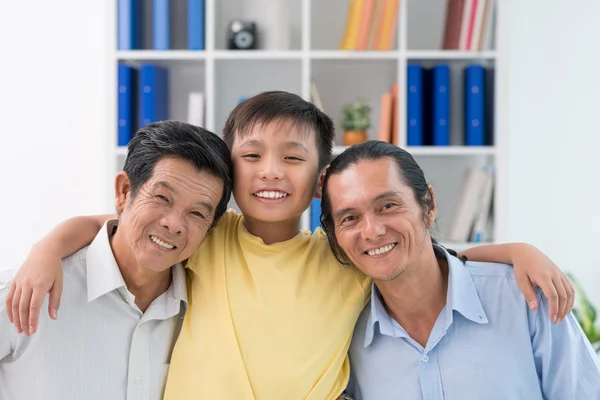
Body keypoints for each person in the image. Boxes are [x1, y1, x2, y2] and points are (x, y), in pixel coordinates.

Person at [5, 92, 575, 400]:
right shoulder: (207, 234)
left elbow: (414, 255)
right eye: (251, 157)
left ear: (321, 177)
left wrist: (515, 250)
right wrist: (48, 248)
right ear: (230, 169)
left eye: (294, 159)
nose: (271, 172)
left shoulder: (340, 253)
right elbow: (126, 223)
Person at [319, 140, 600, 400]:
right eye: (350, 218)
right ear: (335, 234)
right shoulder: (344, 337)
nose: (372, 231)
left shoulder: (524, 299)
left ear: (428, 207)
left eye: (388, 205)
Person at [0, 121, 233, 399]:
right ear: (124, 191)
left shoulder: (207, 311)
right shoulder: (26, 292)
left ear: (212, 227)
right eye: (161, 197)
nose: (174, 224)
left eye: (197, 214)